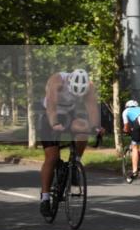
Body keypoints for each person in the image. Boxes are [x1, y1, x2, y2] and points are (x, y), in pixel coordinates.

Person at [38, 69, 103, 217]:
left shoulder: (89, 86)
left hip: (68, 113)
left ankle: (75, 162)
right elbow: (51, 104)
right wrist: (54, 124)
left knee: (84, 129)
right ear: (69, 82)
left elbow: (92, 108)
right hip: (49, 114)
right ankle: (45, 198)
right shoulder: (57, 80)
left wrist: (96, 127)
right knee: (52, 157)